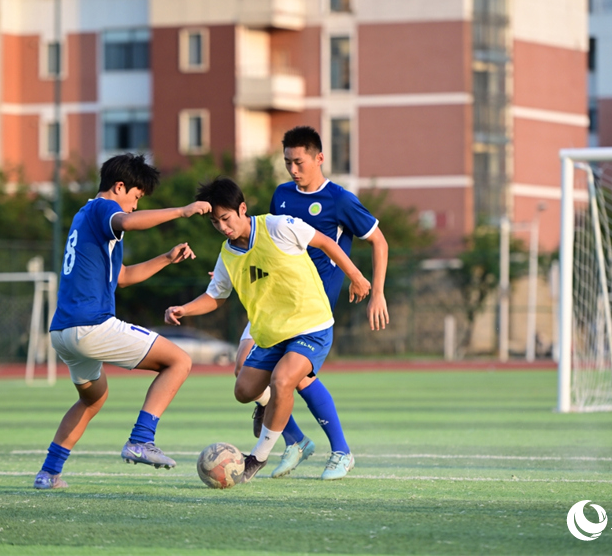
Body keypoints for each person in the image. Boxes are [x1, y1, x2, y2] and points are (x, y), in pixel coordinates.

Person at [164, 177, 371, 483]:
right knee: (244, 391)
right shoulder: (227, 254)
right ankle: (297, 438)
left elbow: (326, 242)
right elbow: (215, 296)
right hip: (271, 335)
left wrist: (356, 276)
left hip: (310, 325)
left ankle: (259, 457)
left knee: (284, 380)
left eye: (226, 218)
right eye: (215, 222)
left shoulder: (277, 226)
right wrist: (184, 308)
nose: (222, 227)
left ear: (242, 209)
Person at [33, 153, 210, 490]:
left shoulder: (84, 216)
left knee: (93, 399)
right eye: (136, 197)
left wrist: (166, 258)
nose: (135, 205)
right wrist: (182, 211)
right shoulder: (103, 209)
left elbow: (123, 277)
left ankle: (48, 473)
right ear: (118, 187)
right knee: (179, 361)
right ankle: (141, 439)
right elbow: (127, 221)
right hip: (91, 326)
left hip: (63, 331)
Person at [237, 125, 389, 480]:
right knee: (246, 371)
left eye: (299, 162)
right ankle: (295, 439)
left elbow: (379, 241)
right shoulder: (281, 195)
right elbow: (268, 243)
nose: (293, 170)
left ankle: (339, 451)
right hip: (275, 300)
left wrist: (376, 291)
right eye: (287, 162)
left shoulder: (340, 200)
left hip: (310, 307)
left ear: (319, 158)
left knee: (292, 377)